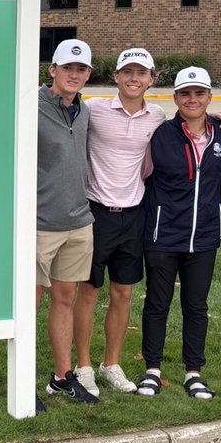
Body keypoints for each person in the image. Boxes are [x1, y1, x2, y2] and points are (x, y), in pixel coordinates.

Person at [70, 48, 165, 396]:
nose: (134, 79)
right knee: (89, 292)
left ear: (152, 79)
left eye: (141, 73)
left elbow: (193, 122)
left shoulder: (156, 116)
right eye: (128, 72)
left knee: (123, 293)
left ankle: (111, 364)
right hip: (95, 214)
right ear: (116, 76)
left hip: (134, 215)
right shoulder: (94, 108)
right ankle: (83, 367)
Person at [136, 67, 221, 400]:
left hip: (203, 237)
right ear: (175, 98)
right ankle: (152, 370)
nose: (193, 100)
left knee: (196, 307)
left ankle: (194, 372)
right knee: (157, 304)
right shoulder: (160, 134)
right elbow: (143, 174)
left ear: (209, 97)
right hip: (163, 235)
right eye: (186, 94)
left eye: (199, 93)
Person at [36, 39, 99, 405]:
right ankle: (22, 378)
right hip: (39, 223)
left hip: (79, 221)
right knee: (32, 300)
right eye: (68, 68)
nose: (75, 75)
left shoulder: (85, 111)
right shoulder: (31, 105)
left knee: (65, 298)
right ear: (52, 70)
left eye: (82, 69)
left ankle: (61, 377)